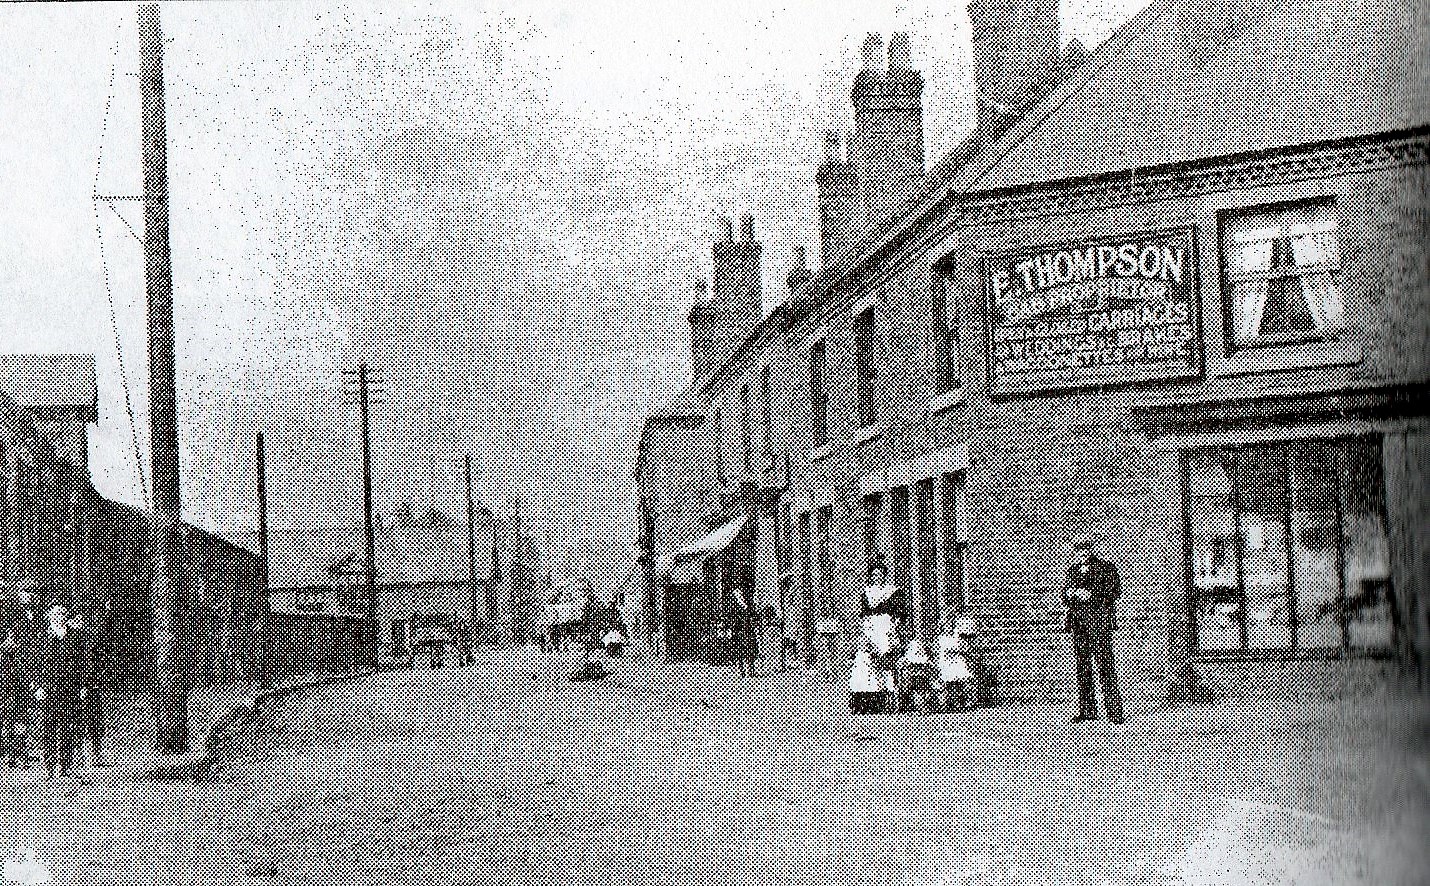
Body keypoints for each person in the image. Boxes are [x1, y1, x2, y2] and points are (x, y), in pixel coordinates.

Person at [1062, 533, 1125, 725]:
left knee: (1105, 666)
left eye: (1085, 549)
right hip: (1078, 624)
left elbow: (1114, 592)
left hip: (1099, 624)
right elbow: (1064, 596)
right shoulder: (1072, 571)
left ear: (1091, 549)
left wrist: (1091, 594)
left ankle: (1114, 712)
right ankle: (1087, 710)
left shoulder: (1106, 568)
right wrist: (1070, 593)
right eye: (1078, 550)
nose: (1082, 553)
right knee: (1083, 667)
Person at [36, 603, 86, 779]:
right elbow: (36, 664)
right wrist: (37, 686)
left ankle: (65, 766)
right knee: (48, 728)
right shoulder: (42, 637)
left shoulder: (75, 637)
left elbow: (81, 664)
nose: (59, 617)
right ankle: (49, 768)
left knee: (67, 727)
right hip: (48, 689)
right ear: (49, 617)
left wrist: (82, 686)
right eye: (56, 614)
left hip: (69, 689)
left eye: (63, 613)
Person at [859, 560, 905, 708]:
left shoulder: (892, 591)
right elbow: (864, 615)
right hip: (872, 629)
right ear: (871, 576)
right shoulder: (867, 592)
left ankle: (893, 698)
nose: (877, 577)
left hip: (886, 628)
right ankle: (875, 699)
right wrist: (866, 632)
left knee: (888, 663)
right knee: (871, 663)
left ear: (884, 575)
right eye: (874, 575)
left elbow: (900, 612)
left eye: (880, 574)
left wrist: (894, 626)